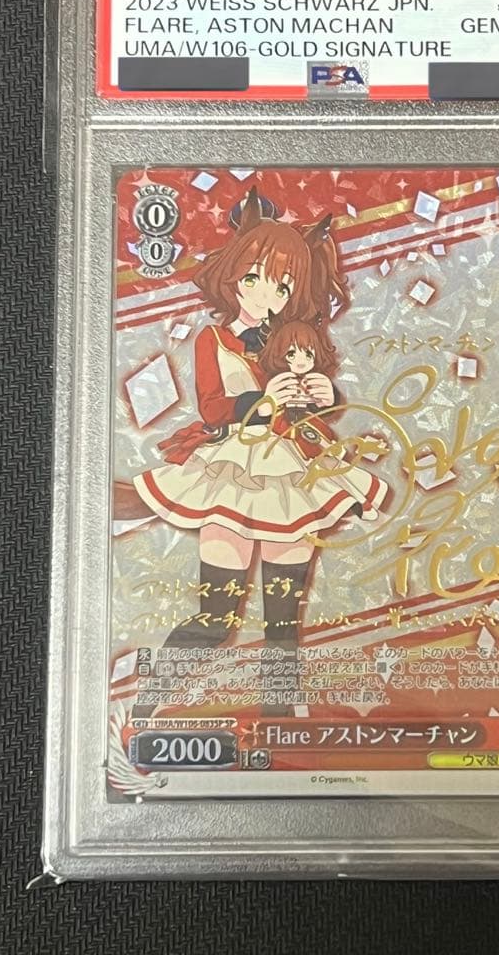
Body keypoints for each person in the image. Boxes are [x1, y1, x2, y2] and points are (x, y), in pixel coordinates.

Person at [114, 188, 388, 713]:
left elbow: (308, 412)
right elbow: (213, 407)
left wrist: (324, 396)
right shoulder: (213, 339)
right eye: (255, 278)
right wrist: (263, 401)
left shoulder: (295, 339)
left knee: (284, 620)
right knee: (218, 613)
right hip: (234, 471)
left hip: (293, 473)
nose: (267, 295)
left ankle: (279, 718)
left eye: (283, 286)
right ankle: (147, 707)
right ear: (235, 275)